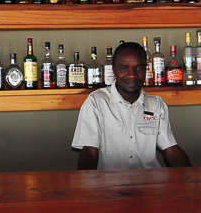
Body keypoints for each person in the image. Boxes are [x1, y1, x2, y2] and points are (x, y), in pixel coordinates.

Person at [72, 41, 192, 170]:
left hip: (149, 183)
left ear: (146, 70)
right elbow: (90, 151)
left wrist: (192, 180)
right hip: (110, 184)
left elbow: (170, 150)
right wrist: (85, 187)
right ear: (114, 71)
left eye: (139, 68)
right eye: (124, 68)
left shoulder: (156, 104)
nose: (132, 75)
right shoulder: (96, 101)